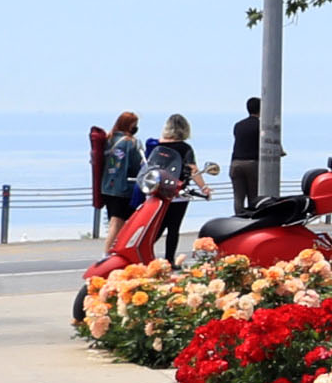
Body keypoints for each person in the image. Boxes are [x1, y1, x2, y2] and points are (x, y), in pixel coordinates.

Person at [143, 115, 215, 262]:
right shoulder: (184, 148)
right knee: (173, 228)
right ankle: (169, 260)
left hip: (156, 190)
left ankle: (144, 254)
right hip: (178, 192)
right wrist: (204, 188)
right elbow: (193, 170)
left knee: (156, 227)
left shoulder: (156, 145)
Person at [100, 112, 146, 235]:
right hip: (124, 188)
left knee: (113, 220)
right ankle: (110, 251)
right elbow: (138, 166)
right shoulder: (131, 143)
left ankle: (111, 249)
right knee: (119, 223)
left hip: (107, 187)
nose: (135, 128)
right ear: (129, 125)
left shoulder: (108, 139)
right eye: (134, 125)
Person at [229, 97, 262, 210]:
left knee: (238, 197)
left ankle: (238, 219)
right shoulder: (261, 126)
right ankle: (252, 220)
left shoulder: (238, 125)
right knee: (253, 197)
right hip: (252, 163)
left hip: (236, 163)